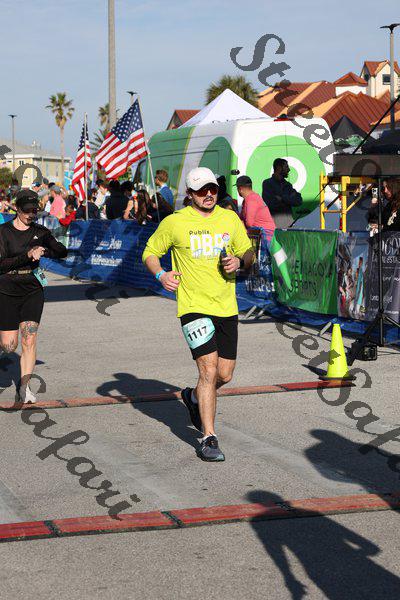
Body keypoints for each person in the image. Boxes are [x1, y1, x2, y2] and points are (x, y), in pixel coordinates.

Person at [143, 167, 254, 462]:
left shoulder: (229, 218)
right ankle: (208, 437)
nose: (208, 194)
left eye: (213, 189)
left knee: (224, 374)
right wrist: (161, 275)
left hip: (226, 307)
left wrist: (240, 261)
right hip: (193, 307)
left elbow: (249, 252)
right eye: (202, 190)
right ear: (190, 194)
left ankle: (192, 397)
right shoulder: (175, 222)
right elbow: (150, 252)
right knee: (208, 370)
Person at [0, 190, 67, 403]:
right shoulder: (3, 232)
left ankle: (24, 387)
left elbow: (62, 251)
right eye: (27, 210)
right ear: (17, 209)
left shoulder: (41, 231)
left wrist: (45, 250)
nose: (31, 214)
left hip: (32, 290)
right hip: (6, 289)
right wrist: (27, 255)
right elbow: (2, 264)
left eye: (34, 210)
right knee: (9, 346)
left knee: (29, 339)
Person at [262, 158, 303, 228]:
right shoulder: (267, 183)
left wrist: (282, 198)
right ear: (279, 168)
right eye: (286, 167)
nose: (289, 170)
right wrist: (289, 199)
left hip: (288, 225)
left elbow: (299, 200)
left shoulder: (288, 185)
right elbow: (270, 204)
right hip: (274, 225)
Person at [237, 175, 276, 240]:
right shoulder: (248, 199)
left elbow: (249, 223)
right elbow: (241, 218)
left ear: (240, 189)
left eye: (237, 188)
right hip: (263, 234)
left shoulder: (251, 199)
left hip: (266, 235)